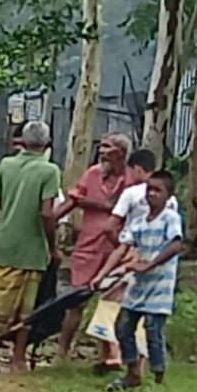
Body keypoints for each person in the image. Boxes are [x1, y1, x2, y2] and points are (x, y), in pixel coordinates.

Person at [0, 121, 62, 373]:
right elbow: (47, 214)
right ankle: (18, 358)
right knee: (27, 306)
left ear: (23, 142)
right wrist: (54, 246)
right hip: (33, 246)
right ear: (47, 144)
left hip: (7, 242)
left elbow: (1, 200)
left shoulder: (6, 165)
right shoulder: (49, 171)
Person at [54, 134, 136, 370]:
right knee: (76, 301)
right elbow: (75, 199)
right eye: (101, 146)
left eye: (107, 147)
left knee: (110, 304)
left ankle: (108, 355)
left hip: (117, 250)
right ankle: (62, 351)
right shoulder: (91, 174)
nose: (101, 151)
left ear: (121, 152)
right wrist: (53, 219)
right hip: (88, 247)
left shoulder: (132, 180)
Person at [106, 171, 186, 390]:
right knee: (123, 326)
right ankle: (132, 372)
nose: (152, 193)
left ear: (168, 195)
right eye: (149, 189)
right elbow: (122, 248)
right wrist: (103, 274)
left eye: (157, 190)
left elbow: (176, 245)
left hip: (160, 286)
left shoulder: (170, 218)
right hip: (138, 285)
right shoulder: (139, 222)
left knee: (153, 330)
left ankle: (159, 376)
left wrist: (149, 265)